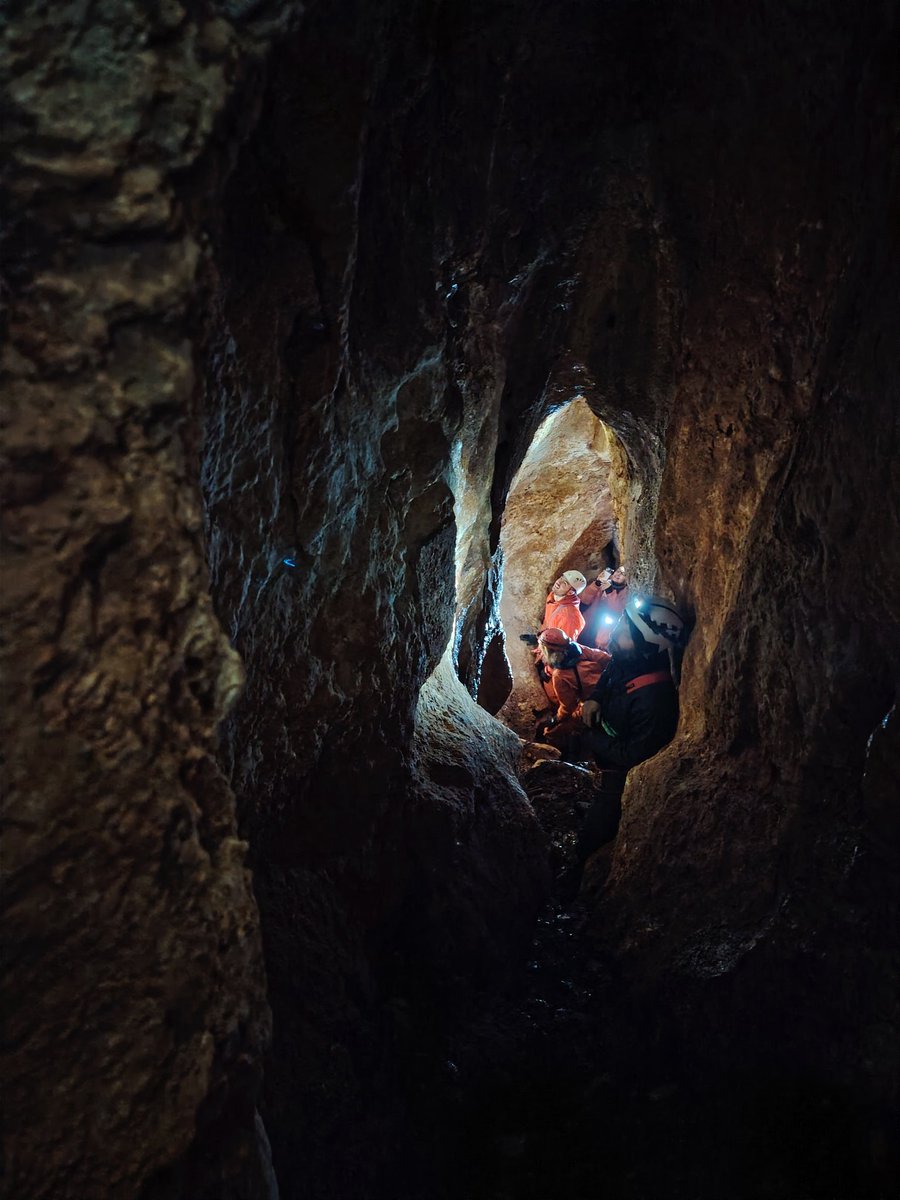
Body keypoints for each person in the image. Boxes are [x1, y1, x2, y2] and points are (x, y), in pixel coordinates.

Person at [558, 594, 687, 900]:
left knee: (596, 829)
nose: (615, 634)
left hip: (618, 776)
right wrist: (596, 697)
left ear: (645, 647)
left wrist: (591, 738)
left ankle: (578, 883)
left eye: (625, 632)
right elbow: (614, 668)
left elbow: (632, 756)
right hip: (607, 747)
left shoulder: (655, 702)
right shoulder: (632, 657)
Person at [533, 628, 610, 746]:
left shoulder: (560, 675)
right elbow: (605, 658)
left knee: (551, 732)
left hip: (596, 704)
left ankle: (568, 749)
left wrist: (556, 719)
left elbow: (568, 707)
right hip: (610, 687)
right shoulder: (579, 650)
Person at [580, 564, 629, 649]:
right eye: (618, 571)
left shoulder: (625, 592)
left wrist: (609, 591)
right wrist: (596, 584)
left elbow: (618, 610)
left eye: (623, 574)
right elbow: (585, 598)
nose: (618, 575)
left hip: (604, 631)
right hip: (591, 622)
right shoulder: (605, 583)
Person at [541, 570, 588, 642]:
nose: (558, 582)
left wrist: (543, 646)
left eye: (565, 583)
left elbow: (563, 647)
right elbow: (547, 621)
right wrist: (539, 637)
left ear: (571, 592)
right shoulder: (554, 596)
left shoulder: (569, 617)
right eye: (561, 578)